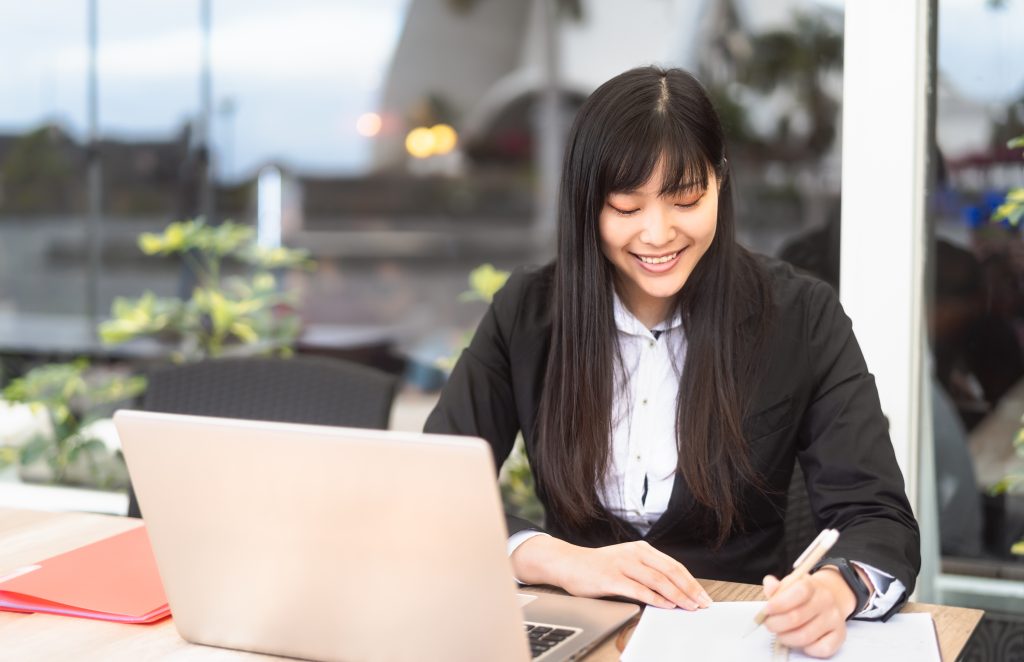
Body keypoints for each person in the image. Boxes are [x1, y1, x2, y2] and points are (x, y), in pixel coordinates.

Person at [425, 66, 919, 658]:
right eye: (626, 208)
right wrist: (559, 560)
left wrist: (835, 590)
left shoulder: (801, 316)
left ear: (720, 182)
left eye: (685, 200)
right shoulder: (528, 315)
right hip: (579, 633)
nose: (657, 234)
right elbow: (434, 490)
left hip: (733, 634)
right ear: (588, 207)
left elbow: (878, 518)